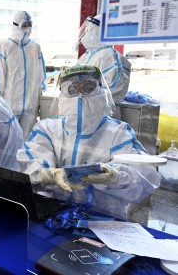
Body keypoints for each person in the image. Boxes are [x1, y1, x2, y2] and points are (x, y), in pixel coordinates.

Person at [16, 65, 160, 221]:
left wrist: (115, 176)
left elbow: (144, 175)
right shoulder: (47, 129)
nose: (80, 95)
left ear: (101, 92)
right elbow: (29, 164)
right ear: (62, 95)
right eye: (72, 89)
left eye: (88, 88)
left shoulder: (118, 132)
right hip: (54, 213)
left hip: (103, 218)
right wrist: (50, 174)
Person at [0, 10, 46, 140]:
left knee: (26, 142)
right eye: (24, 25)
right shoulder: (5, 46)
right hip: (10, 106)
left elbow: (41, 77)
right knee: (9, 142)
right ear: (15, 25)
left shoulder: (35, 47)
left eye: (28, 25)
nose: (26, 29)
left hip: (30, 107)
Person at [77, 14, 131, 119]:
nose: (85, 33)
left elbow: (110, 89)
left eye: (88, 29)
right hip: (84, 111)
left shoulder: (109, 55)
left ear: (99, 32)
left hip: (102, 114)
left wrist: (83, 90)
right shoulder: (88, 55)